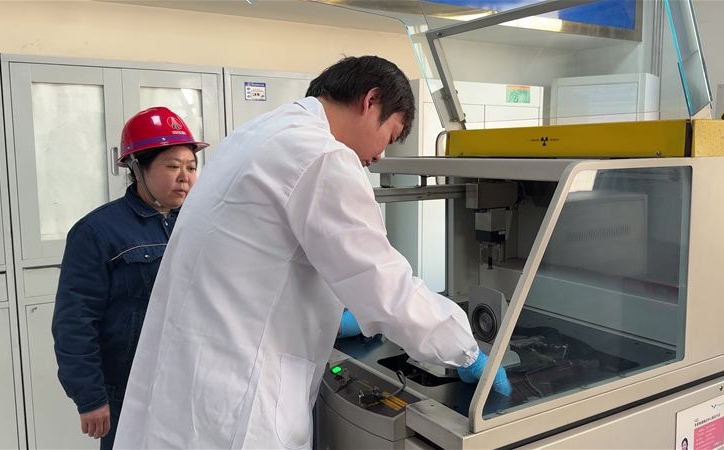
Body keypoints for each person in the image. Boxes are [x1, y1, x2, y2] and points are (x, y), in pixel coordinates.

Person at [114, 56, 510, 450]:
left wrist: (340, 318)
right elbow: (386, 287)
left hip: (191, 386)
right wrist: (467, 352)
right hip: (237, 404)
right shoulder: (322, 155)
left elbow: (267, 261)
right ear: (370, 101)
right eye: (389, 136)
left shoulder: (256, 133)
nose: (380, 156)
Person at [51, 107, 207, 450]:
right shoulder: (97, 231)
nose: (185, 177)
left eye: (192, 167)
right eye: (172, 166)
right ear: (137, 168)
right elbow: (75, 322)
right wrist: (90, 398)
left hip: (190, 385)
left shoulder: (198, 223)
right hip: (128, 392)